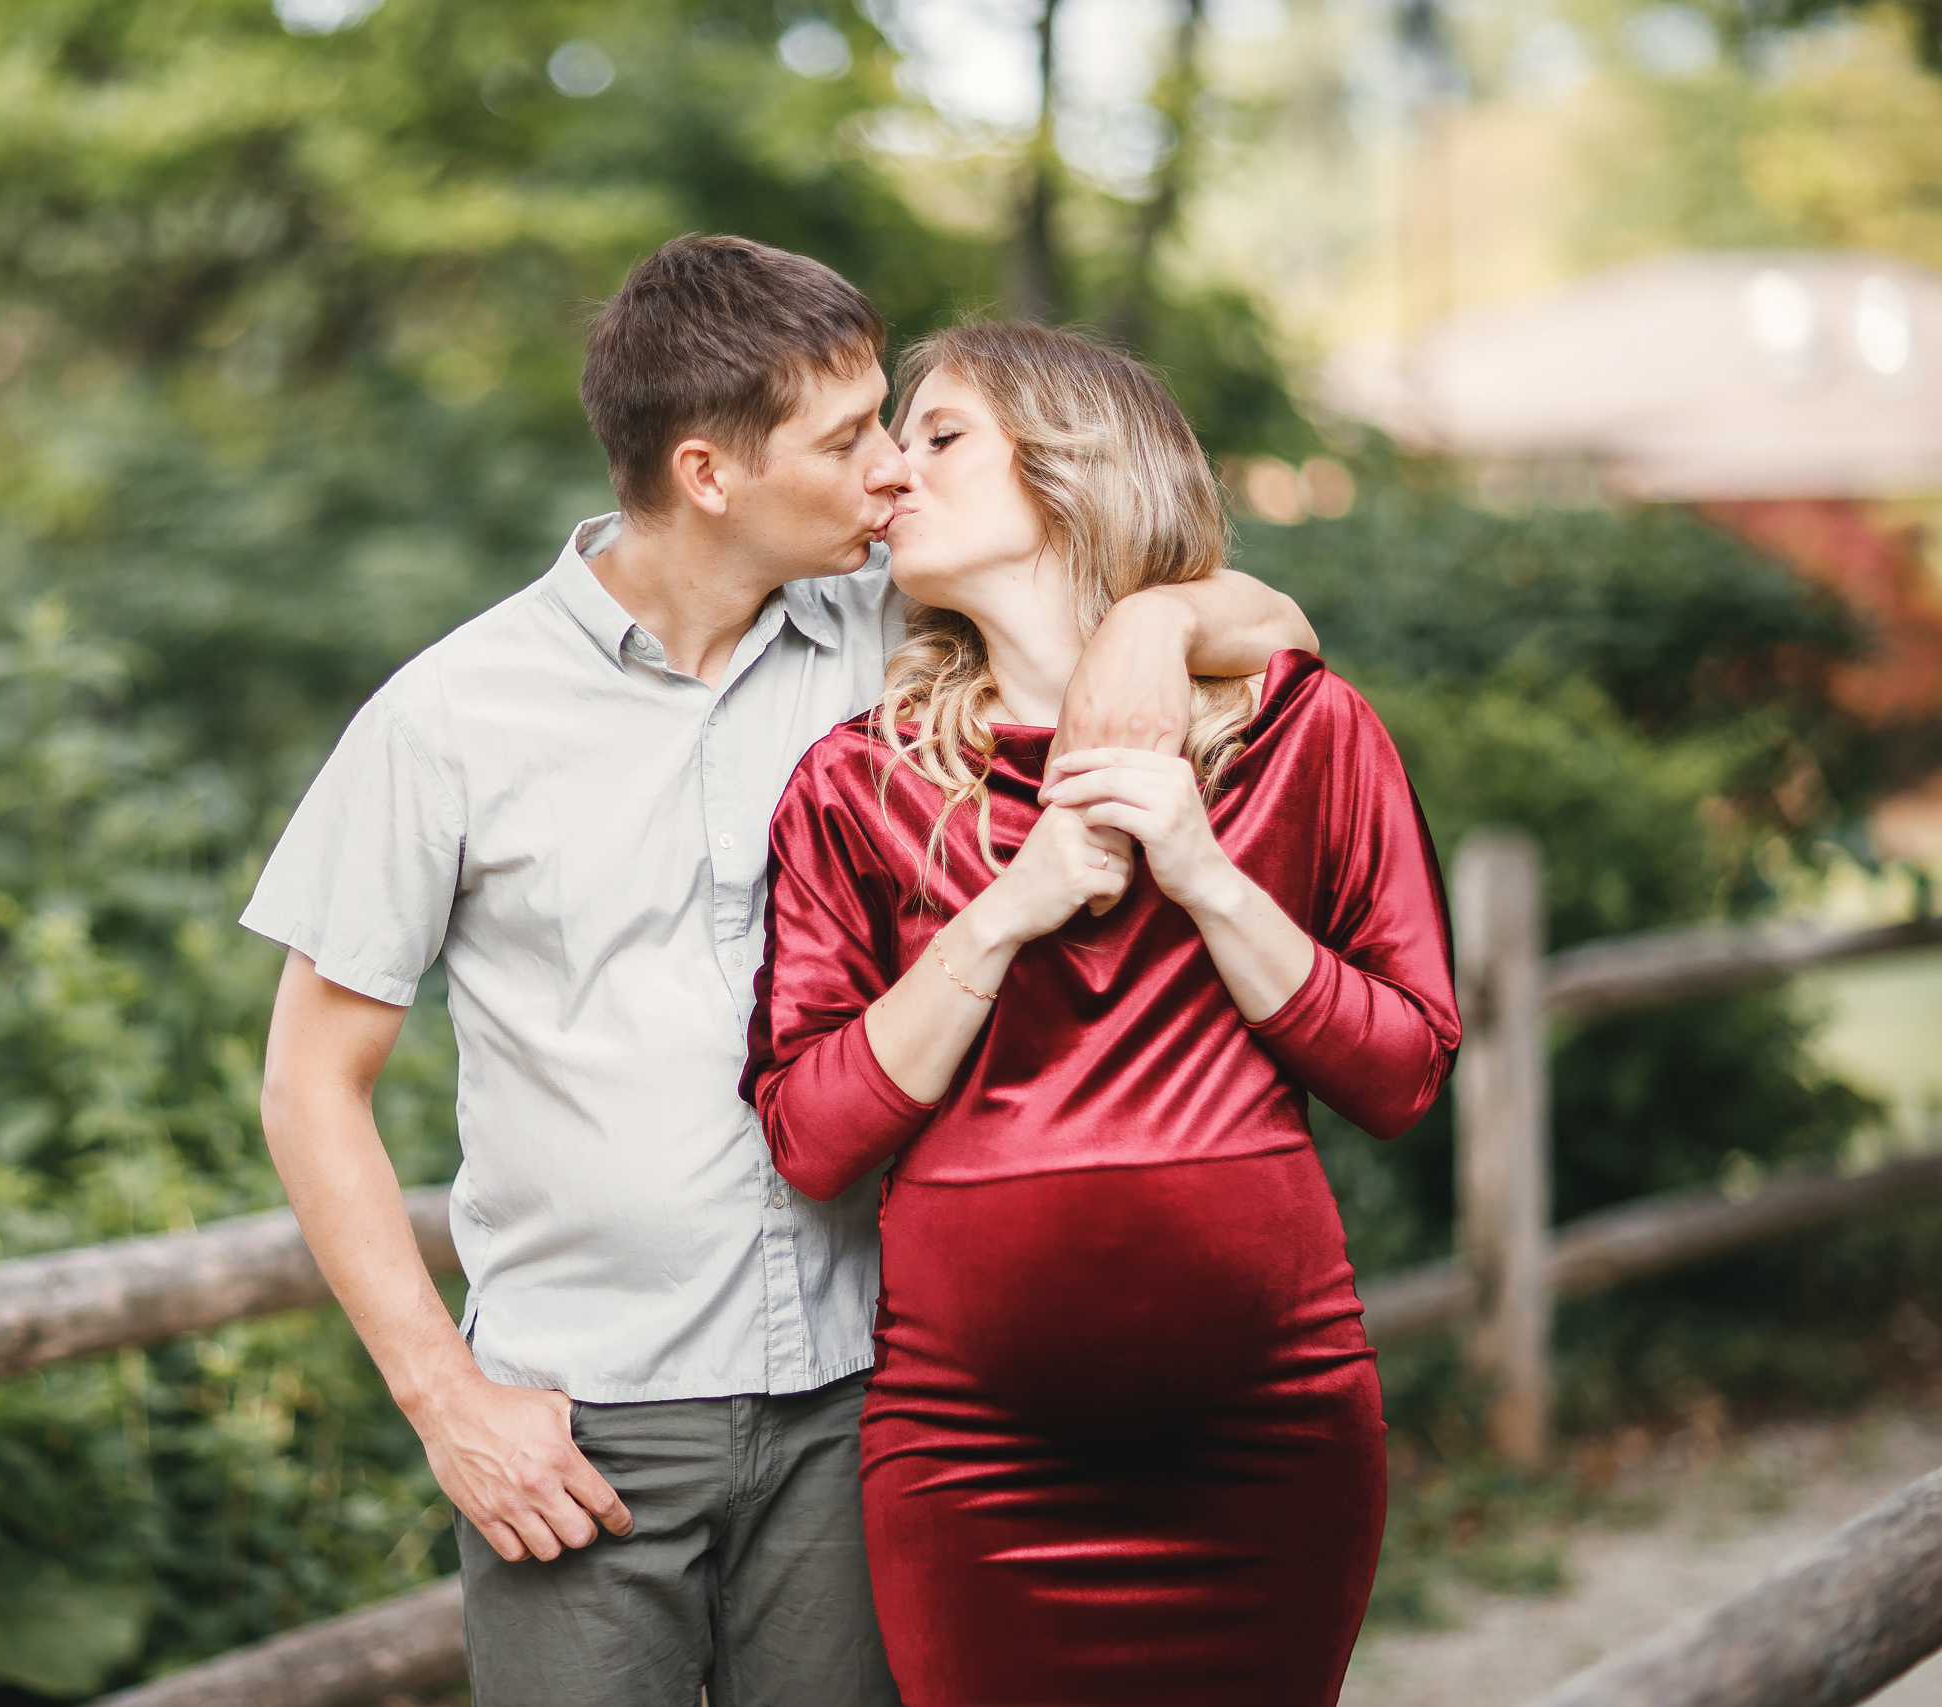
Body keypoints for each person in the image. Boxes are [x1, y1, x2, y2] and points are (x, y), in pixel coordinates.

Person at [243, 239, 1318, 1706]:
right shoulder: (447, 719)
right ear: (708, 474)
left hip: (866, 1398)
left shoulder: (900, 634)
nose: (891, 468)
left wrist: (1157, 619)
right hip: (585, 1426)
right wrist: (450, 1404)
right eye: (847, 437)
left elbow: (1278, 629)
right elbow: (310, 1086)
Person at [746, 322, 1460, 1707]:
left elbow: (1404, 1075)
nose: (891, 470)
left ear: (1073, 463)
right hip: (971, 1458)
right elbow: (811, 1139)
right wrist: (1002, 913)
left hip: (1271, 1439)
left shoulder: (1306, 732)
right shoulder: (858, 782)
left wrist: (1206, 876)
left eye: (940, 433)